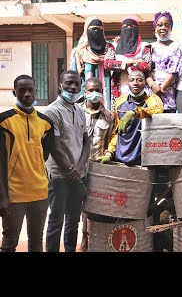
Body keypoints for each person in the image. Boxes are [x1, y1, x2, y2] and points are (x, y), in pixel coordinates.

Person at [0, 75, 55, 252]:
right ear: (15, 92)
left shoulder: (45, 123)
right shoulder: (4, 121)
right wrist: (2, 197)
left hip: (39, 193)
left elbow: (44, 154)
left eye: (30, 89)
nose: (27, 94)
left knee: (36, 242)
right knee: (9, 243)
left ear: (36, 91)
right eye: (22, 90)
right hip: (13, 195)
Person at [43, 70, 91, 252]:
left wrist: (79, 168)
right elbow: (55, 147)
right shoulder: (51, 111)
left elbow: (86, 142)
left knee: (73, 219)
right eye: (69, 83)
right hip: (59, 176)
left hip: (79, 174)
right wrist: (72, 172)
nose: (73, 87)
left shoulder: (79, 111)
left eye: (77, 84)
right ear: (60, 85)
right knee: (56, 219)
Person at [96, 70, 164, 166]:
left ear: (145, 83)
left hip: (143, 158)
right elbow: (116, 132)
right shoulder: (120, 102)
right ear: (127, 83)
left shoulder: (152, 100)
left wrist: (134, 113)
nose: (135, 83)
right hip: (121, 156)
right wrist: (110, 152)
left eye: (139, 80)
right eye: (132, 80)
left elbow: (157, 110)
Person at [78, 77, 114, 252]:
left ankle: (88, 245)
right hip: (77, 169)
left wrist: (107, 155)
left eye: (97, 90)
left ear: (102, 91)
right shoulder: (76, 112)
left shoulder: (108, 115)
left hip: (97, 169)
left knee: (93, 210)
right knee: (75, 209)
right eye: (91, 90)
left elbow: (109, 141)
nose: (94, 94)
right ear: (85, 92)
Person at [105, 16, 153, 110]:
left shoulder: (144, 46)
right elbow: (108, 64)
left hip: (139, 90)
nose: (129, 29)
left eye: (132, 26)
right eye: (126, 26)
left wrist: (122, 65)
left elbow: (147, 65)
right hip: (118, 90)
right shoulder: (114, 46)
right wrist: (130, 63)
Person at [70, 16, 116, 110]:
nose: (96, 32)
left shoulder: (109, 50)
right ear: (87, 30)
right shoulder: (79, 52)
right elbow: (72, 79)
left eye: (99, 29)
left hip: (106, 94)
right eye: (93, 29)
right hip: (85, 97)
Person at [145, 11, 182, 113]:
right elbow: (145, 68)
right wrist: (152, 85)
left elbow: (174, 71)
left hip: (168, 94)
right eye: (160, 25)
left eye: (167, 25)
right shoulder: (150, 47)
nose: (163, 27)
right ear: (155, 28)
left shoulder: (176, 46)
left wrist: (160, 89)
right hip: (151, 94)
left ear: (171, 28)